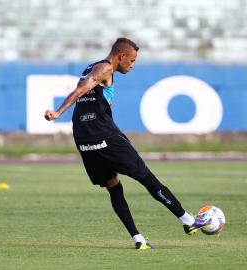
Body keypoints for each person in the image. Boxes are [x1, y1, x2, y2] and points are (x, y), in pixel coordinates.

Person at [44, 37, 210, 250]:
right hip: (104, 135)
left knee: (114, 186)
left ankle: (137, 239)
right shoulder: (104, 69)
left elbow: (84, 92)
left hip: (84, 139)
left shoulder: (90, 67)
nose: (132, 66)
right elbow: (79, 91)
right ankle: (187, 220)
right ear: (121, 56)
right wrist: (58, 112)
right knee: (147, 178)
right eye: (131, 60)